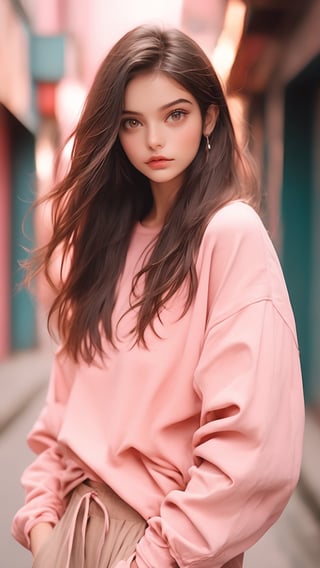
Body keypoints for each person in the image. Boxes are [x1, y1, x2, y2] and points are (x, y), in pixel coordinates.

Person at [12, 24, 304, 568]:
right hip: (71, 537)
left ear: (209, 116)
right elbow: (61, 411)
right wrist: (44, 528)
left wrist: (153, 559)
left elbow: (249, 448)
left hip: (163, 548)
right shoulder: (107, 243)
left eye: (175, 114)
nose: (154, 141)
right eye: (132, 122)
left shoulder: (229, 235)